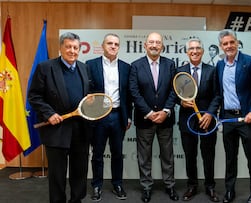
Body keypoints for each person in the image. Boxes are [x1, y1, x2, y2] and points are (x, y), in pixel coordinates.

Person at [27, 32, 90, 203]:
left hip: (80, 131)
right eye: (68, 46)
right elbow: (34, 96)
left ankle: (76, 200)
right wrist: (49, 113)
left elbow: (87, 97)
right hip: (56, 130)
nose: (72, 51)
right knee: (57, 175)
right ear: (60, 47)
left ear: (80, 49)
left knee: (80, 172)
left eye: (75, 47)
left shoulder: (84, 68)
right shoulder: (45, 67)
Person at [216, 29, 251, 203]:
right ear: (221, 46)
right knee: (230, 158)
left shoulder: (250, 62)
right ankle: (230, 191)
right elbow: (219, 93)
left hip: (247, 119)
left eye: (231, 42)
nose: (229, 46)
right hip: (228, 119)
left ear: (236, 43)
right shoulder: (220, 65)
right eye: (225, 44)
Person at [129, 32, 179, 203]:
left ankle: (170, 185)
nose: (154, 45)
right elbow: (134, 92)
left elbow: (175, 90)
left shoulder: (170, 64)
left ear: (162, 46)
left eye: (158, 42)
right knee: (144, 156)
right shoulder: (135, 66)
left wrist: (165, 111)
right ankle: (146, 187)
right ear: (145, 45)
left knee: (168, 155)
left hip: (166, 119)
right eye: (151, 42)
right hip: (145, 119)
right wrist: (149, 113)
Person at [86, 33, 132, 201]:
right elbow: (87, 91)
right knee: (97, 153)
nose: (113, 46)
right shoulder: (90, 65)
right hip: (99, 116)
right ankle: (97, 186)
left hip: (118, 115)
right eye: (110, 43)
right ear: (103, 46)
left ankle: (117, 184)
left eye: (116, 44)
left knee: (117, 153)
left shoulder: (126, 67)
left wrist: (129, 117)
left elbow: (128, 96)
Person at [177, 38, 221, 202]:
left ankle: (210, 186)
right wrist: (180, 101)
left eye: (197, 48)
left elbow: (218, 95)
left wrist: (210, 113)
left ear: (202, 51)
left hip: (207, 120)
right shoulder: (180, 71)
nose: (194, 51)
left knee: (208, 155)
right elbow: (174, 94)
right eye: (191, 49)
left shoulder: (213, 70)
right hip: (186, 120)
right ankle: (192, 186)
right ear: (187, 52)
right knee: (190, 155)